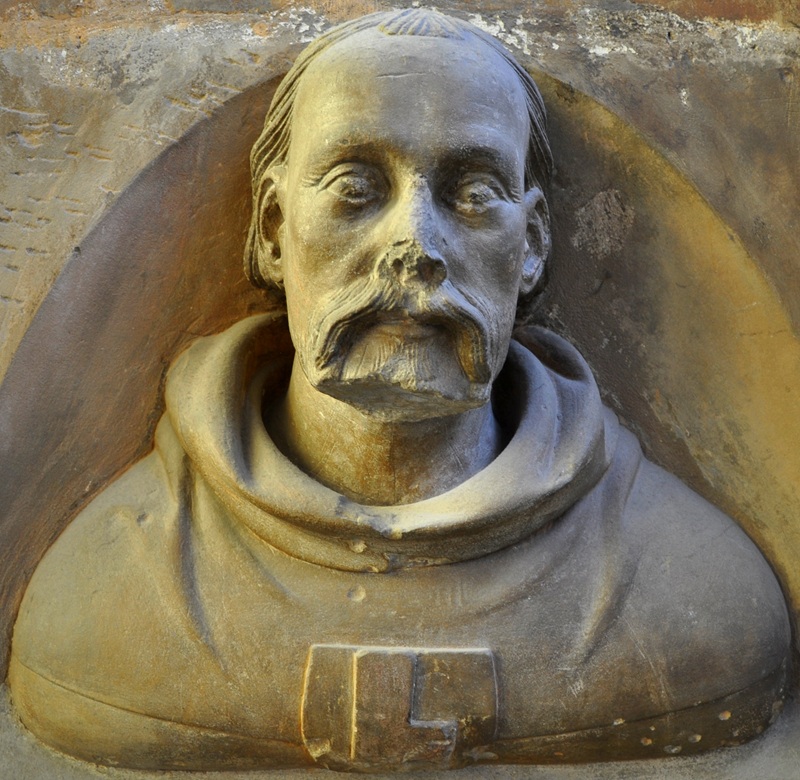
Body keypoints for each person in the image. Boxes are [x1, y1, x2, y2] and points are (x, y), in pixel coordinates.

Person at [9, 9, 790, 772]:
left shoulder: (686, 596)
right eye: (356, 187)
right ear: (275, 229)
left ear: (533, 245)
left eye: (473, 194)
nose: (415, 245)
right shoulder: (120, 591)